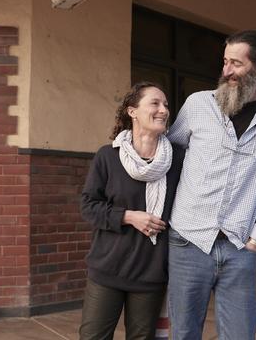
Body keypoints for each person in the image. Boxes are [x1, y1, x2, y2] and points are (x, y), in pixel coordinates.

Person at [167, 30, 256, 340]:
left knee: (240, 335)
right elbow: (168, 155)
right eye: (225, 62)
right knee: (183, 334)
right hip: (188, 240)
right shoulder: (197, 104)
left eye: (236, 63)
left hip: (239, 246)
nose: (227, 71)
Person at [79, 82, 185, 340]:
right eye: (155, 103)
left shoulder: (178, 160)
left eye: (166, 105)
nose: (164, 110)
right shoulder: (108, 157)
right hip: (108, 269)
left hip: (150, 272)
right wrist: (128, 216)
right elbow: (88, 206)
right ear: (132, 111)